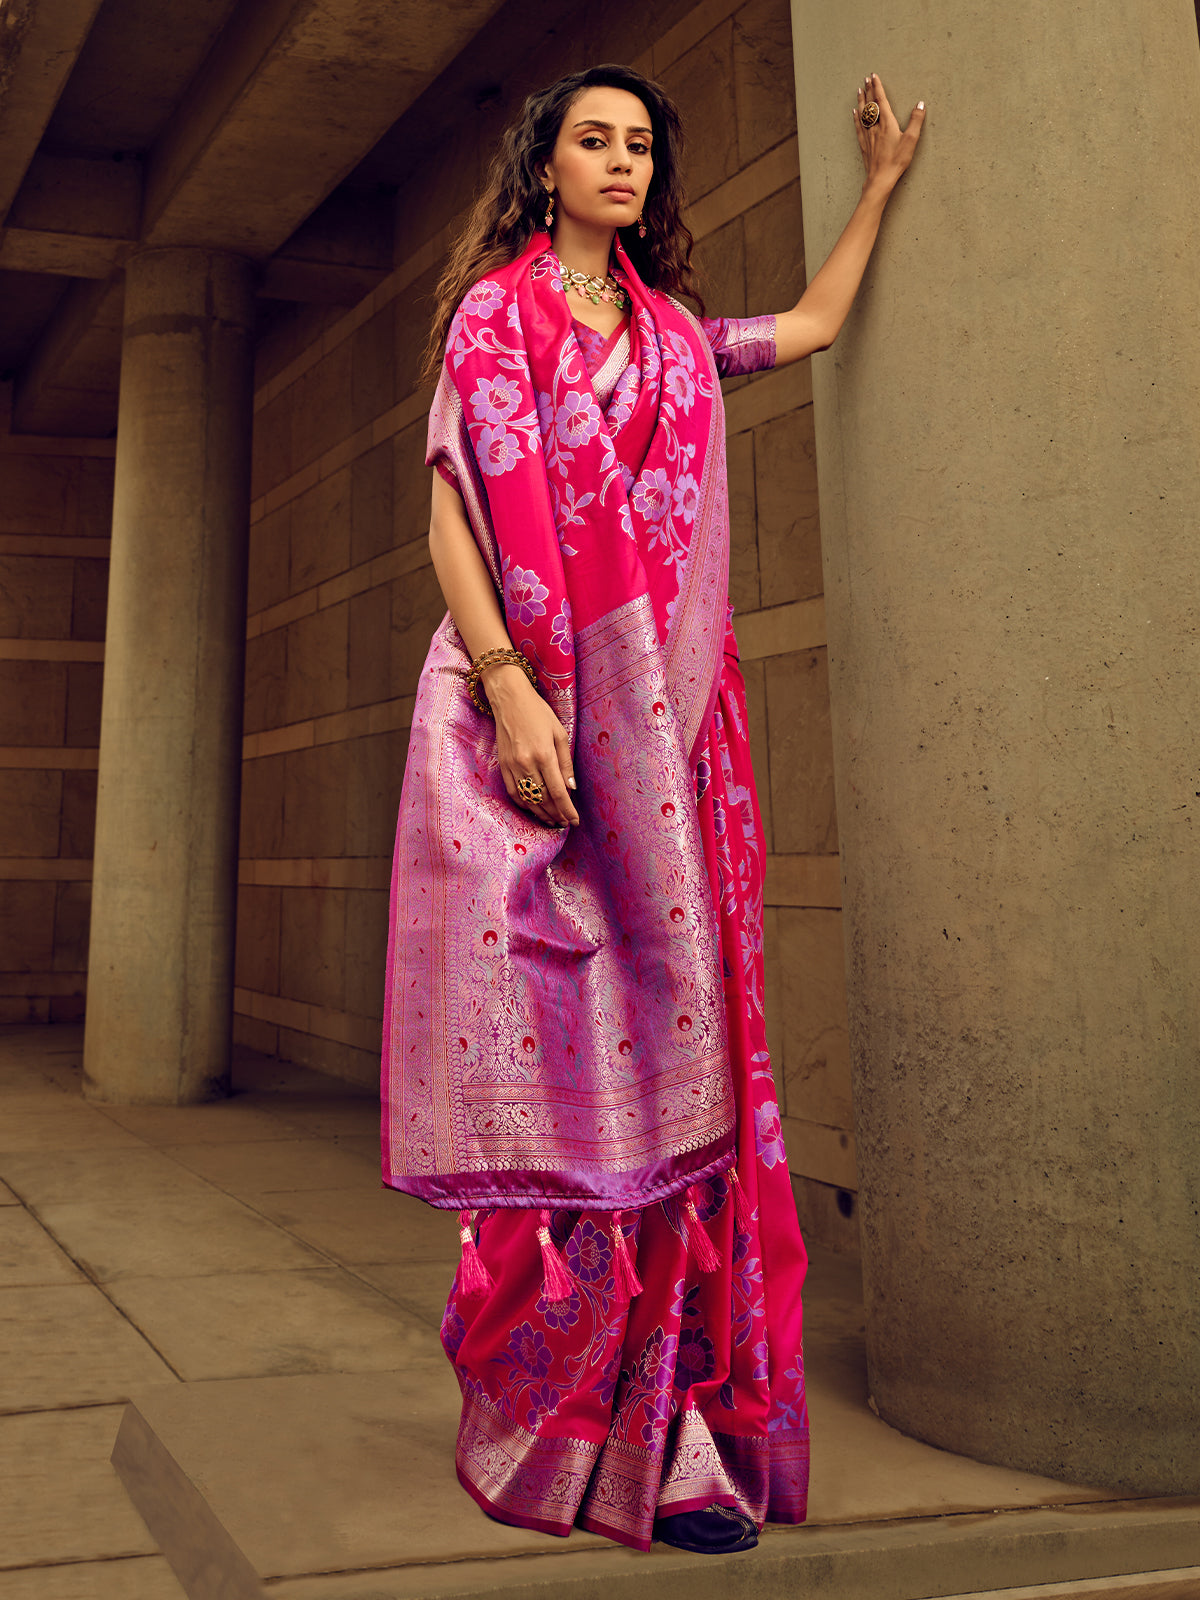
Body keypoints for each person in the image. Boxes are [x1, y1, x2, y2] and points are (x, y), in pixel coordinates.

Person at [380, 63, 923, 1555]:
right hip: (536, 727)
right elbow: (449, 510)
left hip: (675, 748)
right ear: (545, 166)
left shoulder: (679, 339)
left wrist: (879, 187)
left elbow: (808, 327)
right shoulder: (495, 321)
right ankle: (555, 1406)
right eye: (593, 140)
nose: (620, 161)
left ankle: (676, 1431)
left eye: (639, 145)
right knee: (566, 1067)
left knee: (688, 1073)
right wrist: (512, 689)